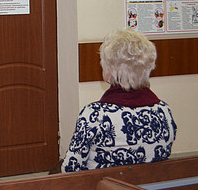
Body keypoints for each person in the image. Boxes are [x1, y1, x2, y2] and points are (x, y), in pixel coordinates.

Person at [62, 28, 176, 172]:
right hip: (151, 185)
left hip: (105, 186)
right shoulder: (164, 110)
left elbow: (70, 169)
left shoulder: (94, 115)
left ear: (109, 72)